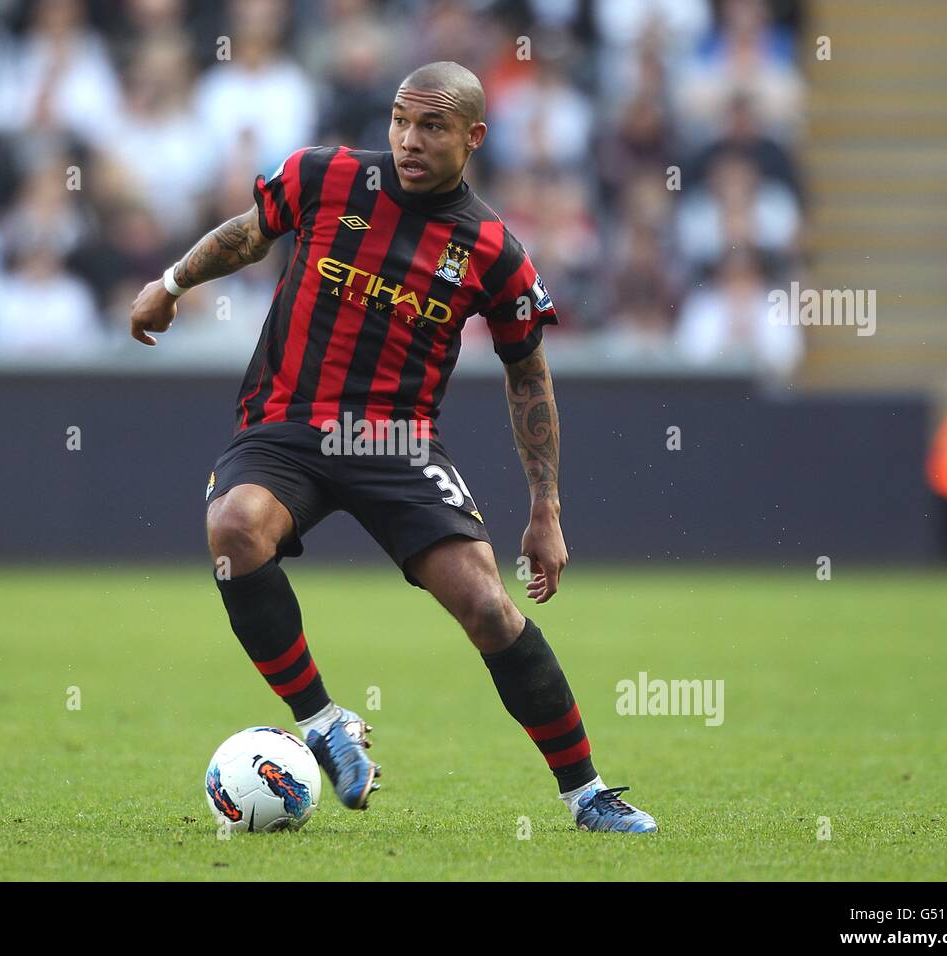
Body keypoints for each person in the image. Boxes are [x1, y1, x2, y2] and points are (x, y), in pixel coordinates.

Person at [129, 61, 656, 833]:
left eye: (432, 126)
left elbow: (528, 377)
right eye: (402, 121)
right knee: (234, 528)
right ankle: (322, 722)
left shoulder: (493, 251)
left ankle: (587, 793)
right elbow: (248, 234)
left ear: (473, 137)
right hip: (286, 424)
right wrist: (170, 283)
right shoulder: (325, 176)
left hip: (395, 443)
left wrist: (546, 509)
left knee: (487, 606)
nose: (410, 139)